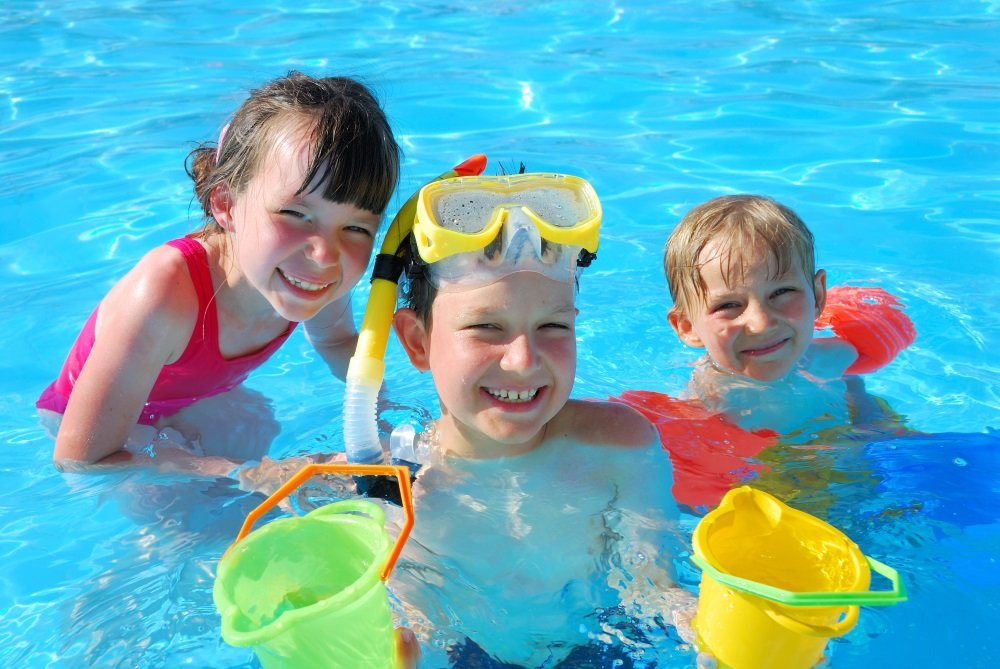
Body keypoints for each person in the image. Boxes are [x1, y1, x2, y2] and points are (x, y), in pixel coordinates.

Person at [385, 171, 696, 666]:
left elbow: (654, 581)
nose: (524, 360)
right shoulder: (393, 480)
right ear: (417, 341)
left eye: (553, 325)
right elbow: (414, 618)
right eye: (487, 327)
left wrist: (701, 624)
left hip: (599, 649)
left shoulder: (620, 444)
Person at [37, 71, 401, 468]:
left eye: (355, 227)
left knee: (259, 429)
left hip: (201, 400)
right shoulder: (163, 295)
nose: (324, 254)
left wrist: (382, 415)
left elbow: (335, 344)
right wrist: (259, 475)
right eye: (296, 214)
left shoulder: (313, 271)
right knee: (220, 518)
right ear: (226, 204)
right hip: (102, 433)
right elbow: (78, 460)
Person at [660, 194, 915, 438]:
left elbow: (856, 392)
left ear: (817, 295)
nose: (761, 324)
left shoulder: (832, 358)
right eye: (728, 305)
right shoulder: (707, 409)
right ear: (687, 327)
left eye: (782, 292)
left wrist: (876, 424)